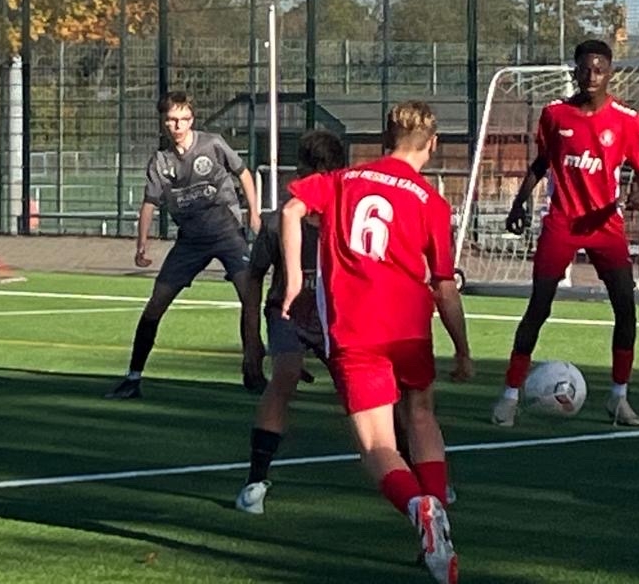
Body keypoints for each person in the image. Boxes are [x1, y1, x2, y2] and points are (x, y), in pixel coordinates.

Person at [281, 101, 474, 584]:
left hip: (357, 329)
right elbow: (444, 286)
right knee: (422, 415)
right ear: (433, 144)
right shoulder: (432, 202)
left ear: (385, 139)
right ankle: (439, 529)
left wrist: (293, 280)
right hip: (410, 328)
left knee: (378, 445)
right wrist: (462, 348)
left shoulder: (344, 180)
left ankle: (419, 509)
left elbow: (291, 209)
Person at [491, 38, 639, 429]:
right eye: (585, 68)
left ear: (610, 73)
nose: (592, 76)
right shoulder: (554, 114)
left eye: (600, 69)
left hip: (605, 226)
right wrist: (519, 203)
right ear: (575, 71)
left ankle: (619, 397)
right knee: (539, 306)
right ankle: (510, 395)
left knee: (625, 307)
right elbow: (542, 163)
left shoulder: (627, 119)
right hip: (562, 223)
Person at [105, 92, 262, 400]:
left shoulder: (212, 144)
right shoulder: (161, 162)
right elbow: (149, 203)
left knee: (250, 296)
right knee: (155, 305)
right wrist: (141, 245)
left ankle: (253, 369)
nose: (177, 126)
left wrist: (253, 213)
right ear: (163, 122)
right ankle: (133, 378)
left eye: (183, 119)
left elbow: (243, 172)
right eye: (171, 120)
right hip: (190, 241)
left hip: (227, 233)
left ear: (192, 120)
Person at [234, 127, 346, 515]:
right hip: (289, 314)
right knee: (285, 374)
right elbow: (253, 278)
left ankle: (417, 475)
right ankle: (255, 481)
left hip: (335, 318)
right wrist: (251, 341)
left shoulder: (347, 219)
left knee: (371, 393)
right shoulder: (277, 223)